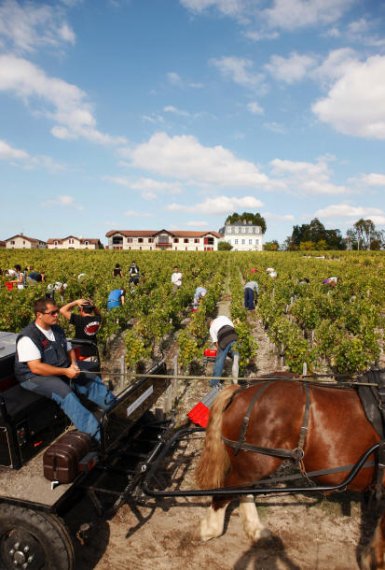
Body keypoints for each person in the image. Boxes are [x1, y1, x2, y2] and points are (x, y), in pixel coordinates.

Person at [14, 298, 116, 443]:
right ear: (39, 315)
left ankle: (117, 411)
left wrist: (74, 364)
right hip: (33, 377)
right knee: (65, 393)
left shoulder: (56, 329)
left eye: (57, 311)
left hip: (58, 369)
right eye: (53, 313)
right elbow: (36, 367)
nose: (57, 315)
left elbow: (69, 350)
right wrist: (65, 372)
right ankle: (99, 437)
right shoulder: (28, 337)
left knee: (90, 379)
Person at [209, 315, 239, 387]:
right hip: (233, 335)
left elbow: (216, 343)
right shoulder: (223, 317)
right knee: (236, 358)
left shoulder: (211, 328)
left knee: (219, 361)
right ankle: (235, 382)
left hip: (223, 338)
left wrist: (220, 352)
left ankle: (214, 383)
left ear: (210, 324)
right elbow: (233, 326)